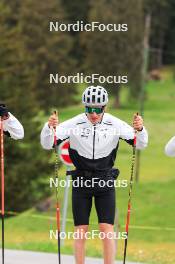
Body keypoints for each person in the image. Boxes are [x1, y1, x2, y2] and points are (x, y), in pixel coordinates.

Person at [40, 86, 148, 264]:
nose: (93, 114)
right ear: (85, 107)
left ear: (104, 107)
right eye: (89, 109)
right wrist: (48, 127)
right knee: (80, 231)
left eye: (98, 109)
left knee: (107, 231)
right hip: (81, 181)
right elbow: (47, 143)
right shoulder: (74, 123)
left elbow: (141, 144)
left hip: (105, 181)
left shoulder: (115, 124)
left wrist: (141, 129)